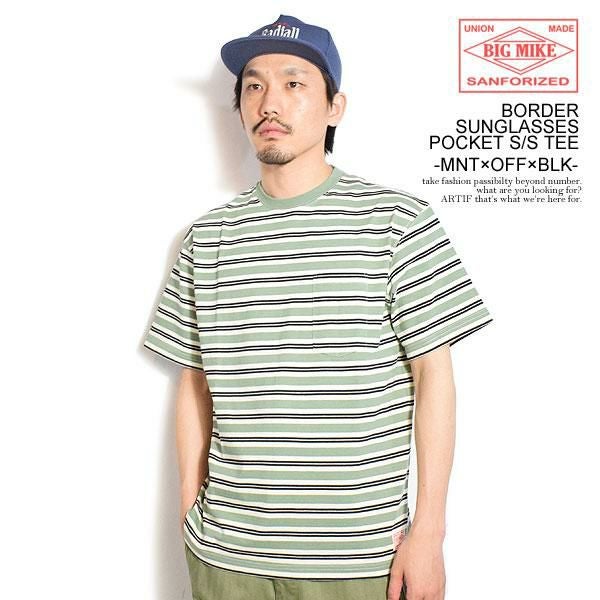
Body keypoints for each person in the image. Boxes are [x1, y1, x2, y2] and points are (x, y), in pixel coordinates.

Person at [143, 13, 494, 600]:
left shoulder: (397, 222)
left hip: (359, 560)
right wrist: (188, 513)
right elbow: (194, 383)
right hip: (226, 557)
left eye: (293, 83)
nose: (269, 103)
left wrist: (429, 534)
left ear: (335, 107)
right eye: (253, 86)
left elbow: (434, 375)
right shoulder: (206, 238)